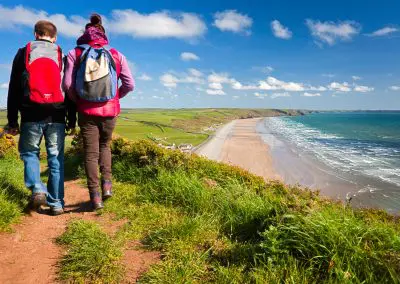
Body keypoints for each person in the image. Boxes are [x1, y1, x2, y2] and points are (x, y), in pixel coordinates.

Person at [63, 14, 134, 210]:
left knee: (90, 154)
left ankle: (95, 197)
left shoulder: (75, 53)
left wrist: (78, 100)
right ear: (103, 34)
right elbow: (130, 84)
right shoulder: (116, 54)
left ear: (85, 34)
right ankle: (108, 186)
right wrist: (115, 98)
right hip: (110, 110)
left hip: (86, 110)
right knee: (105, 146)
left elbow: (68, 84)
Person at [5, 20, 75, 215]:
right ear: (54, 37)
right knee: (55, 158)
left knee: (29, 153)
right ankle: (56, 204)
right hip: (57, 114)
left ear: (36, 34)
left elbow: (14, 88)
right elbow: (68, 89)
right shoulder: (62, 54)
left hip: (30, 113)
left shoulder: (23, 52)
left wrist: (13, 120)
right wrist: (71, 119)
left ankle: (37, 187)